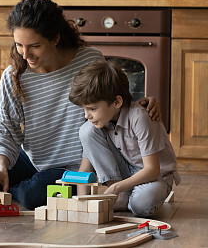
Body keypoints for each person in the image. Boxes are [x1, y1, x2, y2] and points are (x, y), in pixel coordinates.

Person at [0, 0, 160, 210]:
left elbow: (109, 105)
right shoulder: (14, 75)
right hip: (32, 159)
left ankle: (10, 191)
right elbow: (4, 131)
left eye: (34, 46)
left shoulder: (89, 61)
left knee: (34, 194)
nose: (25, 54)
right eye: (19, 45)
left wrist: (137, 105)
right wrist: (0, 168)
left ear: (55, 38)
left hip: (76, 168)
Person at [69, 60, 180, 217]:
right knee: (86, 130)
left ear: (117, 102)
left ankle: (122, 195)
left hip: (155, 176)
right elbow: (85, 168)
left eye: (92, 109)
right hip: (127, 173)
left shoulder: (139, 117)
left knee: (141, 205)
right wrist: (82, 202)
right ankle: (121, 196)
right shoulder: (100, 121)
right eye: (84, 109)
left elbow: (152, 171)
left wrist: (115, 188)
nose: (87, 115)